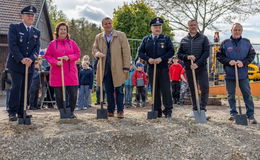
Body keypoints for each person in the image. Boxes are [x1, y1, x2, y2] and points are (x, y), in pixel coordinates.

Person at [217, 23, 257, 124]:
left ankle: (250, 115)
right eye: (235, 30)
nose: (237, 31)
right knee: (231, 95)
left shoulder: (246, 42)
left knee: (247, 94)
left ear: (242, 31)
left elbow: (252, 55)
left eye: (239, 30)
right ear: (231, 30)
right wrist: (228, 61)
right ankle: (233, 114)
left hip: (243, 74)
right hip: (230, 74)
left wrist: (243, 63)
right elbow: (219, 56)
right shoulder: (225, 43)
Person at [6, 5, 40, 121]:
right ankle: (12, 111)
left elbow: (37, 48)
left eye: (32, 15)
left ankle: (22, 111)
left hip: (29, 65)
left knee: (26, 88)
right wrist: (22, 59)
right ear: (22, 16)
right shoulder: (14, 27)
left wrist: (31, 59)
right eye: (28, 15)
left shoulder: (36, 32)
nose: (30, 17)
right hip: (16, 64)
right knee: (17, 87)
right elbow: (12, 45)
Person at [92, 17, 131, 119]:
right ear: (102, 25)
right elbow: (94, 48)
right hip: (105, 68)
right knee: (108, 90)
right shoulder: (99, 37)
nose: (108, 25)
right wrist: (97, 53)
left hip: (118, 68)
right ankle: (110, 110)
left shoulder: (121, 35)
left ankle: (120, 111)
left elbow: (126, 52)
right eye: (105, 24)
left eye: (109, 23)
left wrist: (126, 67)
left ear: (112, 24)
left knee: (119, 90)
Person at [138, 17, 174, 118]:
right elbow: (140, 52)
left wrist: (161, 58)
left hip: (163, 68)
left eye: (159, 27)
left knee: (166, 89)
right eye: (155, 27)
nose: (158, 28)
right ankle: (156, 110)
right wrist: (147, 59)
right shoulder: (146, 39)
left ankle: (168, 110)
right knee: (154, 89)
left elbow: (171, 51)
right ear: (151, 28)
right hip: (151, 68)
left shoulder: (166, 38)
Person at [45, 22, 81, 119]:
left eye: (65, 29)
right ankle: (62, 111)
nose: (63, 31)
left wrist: (68, 57)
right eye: (61, 29)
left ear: (67, 31)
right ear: (57, 31)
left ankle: (71, 111)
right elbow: (47, 55)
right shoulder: (52, 44)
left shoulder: (72, 43)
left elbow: (78, 53)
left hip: (70, 73)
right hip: (57, 73)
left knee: (73, 94)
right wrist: (56, 62)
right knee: (59, 95)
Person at [177, 19, 210, 117]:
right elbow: (179, 54)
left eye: (194, 25)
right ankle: (195, 109)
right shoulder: (184, 40)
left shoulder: (204, 38)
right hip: (189, 68)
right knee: (192, 89)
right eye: (191, 25)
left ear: (197, 26)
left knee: (204, 87)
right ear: (188, 26)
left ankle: (203, 109)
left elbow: (206, 53)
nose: (193, 26)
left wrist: (198, 63)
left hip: (201, 68)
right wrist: (187, 57)